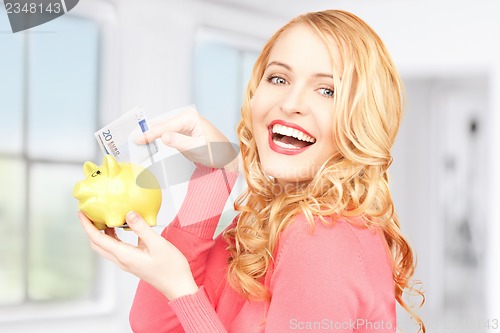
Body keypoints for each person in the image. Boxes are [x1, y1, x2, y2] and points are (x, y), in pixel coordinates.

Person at [79, 9, 425, 333]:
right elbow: (156, 325)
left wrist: (180, 287)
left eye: (327, 90)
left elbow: (175, 307)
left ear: (364, 118)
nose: (290, 103)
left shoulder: (322, 237)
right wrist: (216, 174)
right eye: (278, 78)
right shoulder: (266, 219)